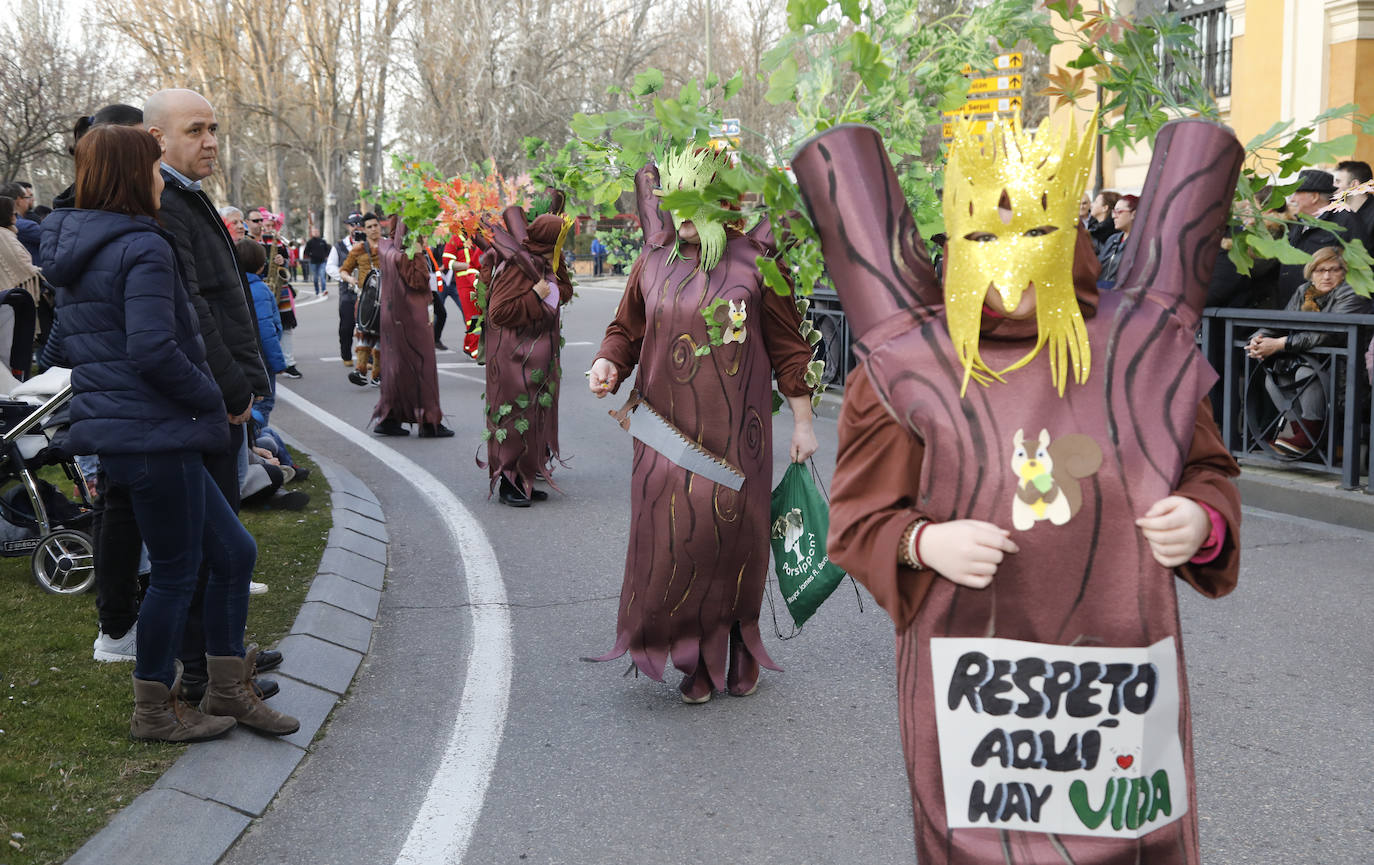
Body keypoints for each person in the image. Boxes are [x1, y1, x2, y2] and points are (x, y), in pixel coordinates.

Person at [795, 117, 1241, 863]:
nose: (1004, 257)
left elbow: (1210, 472)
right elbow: (858, 518)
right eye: (980, 236)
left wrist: (1203, 520)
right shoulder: (906, 362)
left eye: (1028, 230)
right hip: (973, 698)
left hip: (1118, 687)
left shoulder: (1146, 347)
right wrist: (921, 540)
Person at [38, 124, 297, 742]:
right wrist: (210, 396)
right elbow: (153, 349)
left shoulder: (79, 247)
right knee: (179, 572)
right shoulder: (141, 245)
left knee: (232, 552)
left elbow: (59, 345)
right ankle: (156, 708)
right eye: (154, 171)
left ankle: (227, 689)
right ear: (134, 176)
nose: (162, 181)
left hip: (130, 432)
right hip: (157, 432)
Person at [588, 150, 818, 702]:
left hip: (739, 435)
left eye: (695, 198)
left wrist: (804, 421)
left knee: (733, 542)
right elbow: (627, 328)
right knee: (678, 540)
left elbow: (790, 347)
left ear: (721, 199)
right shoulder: (654, 260)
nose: (680, 211)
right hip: (664, 433)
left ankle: (736, 645)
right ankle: (693, 654)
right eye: (674, 196)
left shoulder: (755, 261)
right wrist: (609, 363)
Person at [145, 88, 281, 698]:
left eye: (214, 129)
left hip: (225, 390)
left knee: (218, 544)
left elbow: (226, 302)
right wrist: (234, 387)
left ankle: (222, 657)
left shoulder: (188, 196)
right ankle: (205, 671)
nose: (210, 142)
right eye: (196, 130)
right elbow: (195, 310)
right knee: (209, 549)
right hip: (210, 398)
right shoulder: (167, 203)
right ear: (158, 140)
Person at [1246, 246, 1374, 455]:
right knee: (1274, 377)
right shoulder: (1304, 292)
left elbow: (1328, 334)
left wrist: (1280, 344)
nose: (1326, 276)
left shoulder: (1353, 292)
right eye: (1319, 270)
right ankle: (1304, 437)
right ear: (1310, 272)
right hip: (1309, 360)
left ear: (1345, 272)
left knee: (1306, 374)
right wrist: (1258, 339)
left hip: (1345, 371)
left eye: (1334, 270)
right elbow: (1280, 321)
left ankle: (1310, 438)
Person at [482, 210, 573, 494]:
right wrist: (534, 296)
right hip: (514, 359)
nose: (563, 244)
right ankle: (509, 482)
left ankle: (526, 477)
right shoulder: (515, 266)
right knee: (514, 417)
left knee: (534, 417)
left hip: (538, 359)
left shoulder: (544, 263)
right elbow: (499, 312)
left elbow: (563, 293)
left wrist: (556, 274)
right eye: (560, 238)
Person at [369, 215, 453, 437]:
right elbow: (418, 280)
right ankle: (428, 420)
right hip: (412, 319)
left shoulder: (386, 247)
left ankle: (391, 416)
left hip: (392, 318)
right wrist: (417, 252)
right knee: (422, 368)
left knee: (396, 369)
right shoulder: (407, 251)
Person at [1278, 169, 1352, 307]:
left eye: (1297, 193)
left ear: (1314, 197)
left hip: (1324, 313)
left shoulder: (1345, 223)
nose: (1292, 199)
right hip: (1291, 308)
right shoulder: (1296, 224)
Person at [340, 212, 383, 386]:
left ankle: (378, 374)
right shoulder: (358, 249)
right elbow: (344, 270)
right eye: (369, 227)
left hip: (386, 298)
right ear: (364, 230)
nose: (373, 229)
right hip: (365, 297)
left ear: (380, 226)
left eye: (375, 225)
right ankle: (360, 370)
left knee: (382, 336)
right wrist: (351, 280)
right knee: (363, 333)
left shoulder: (389, 246)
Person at [326, 213, 365, 363]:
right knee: (346, 325)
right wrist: (344, 276)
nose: (356, 227)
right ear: (348, 226)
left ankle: (367, 358)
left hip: (368, 290)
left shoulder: (370, 244)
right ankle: (346, 355)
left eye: (359, 223)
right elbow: (330, 266)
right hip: (347, 290)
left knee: (367, 326)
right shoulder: (340, 246)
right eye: (352, 224)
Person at [439, 232, 482, 357]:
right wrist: (469, 266)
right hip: (464, 284)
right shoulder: (454, 239)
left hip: (479, 281)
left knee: (479, 314)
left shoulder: (478, 236)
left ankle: (468, 346)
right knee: (473, 317)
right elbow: (447, 263)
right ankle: (475, 350)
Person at [0, 196, 41, 303]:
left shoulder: (8, 233)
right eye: (12, 211)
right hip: (13, 299)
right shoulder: (4, 236)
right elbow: (23, 268)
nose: (15, 214)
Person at [1095, 192, 1137, 286]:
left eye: (1119, 211)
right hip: (1102, 293)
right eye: (1114, 212)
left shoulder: (1140, 243)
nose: (1114, 216)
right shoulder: (1112, 239)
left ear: (1134, 214)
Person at [304, 227, 331, 296]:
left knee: (322, 276)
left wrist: (326, 255)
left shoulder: (322, 241)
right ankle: (317, 290)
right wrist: (311, 254)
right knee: (315, 278)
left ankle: (324, 290)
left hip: (322, 262)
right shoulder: (310, 242)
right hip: (313, 263)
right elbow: (306, 252)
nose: (316, 233)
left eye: (317, 232)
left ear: (319, 233)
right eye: (314, 232)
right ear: (312, 233)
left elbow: (327, 249)